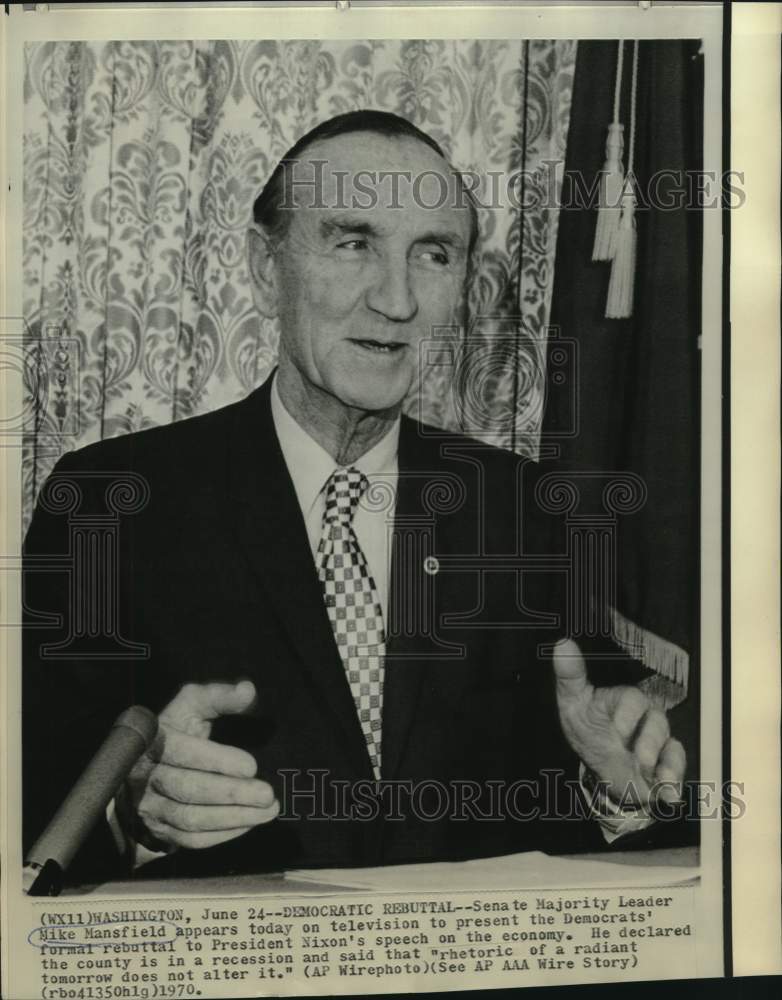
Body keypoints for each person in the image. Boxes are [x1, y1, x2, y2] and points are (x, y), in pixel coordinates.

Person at [22, 110, 686, 884]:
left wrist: (614, 790)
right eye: (353, 242)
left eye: (433, 254)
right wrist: (133, 810)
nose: (396, 300)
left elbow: (595, 801)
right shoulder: (108, 502)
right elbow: (32, 812)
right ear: (265, 265)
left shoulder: (534, 513)